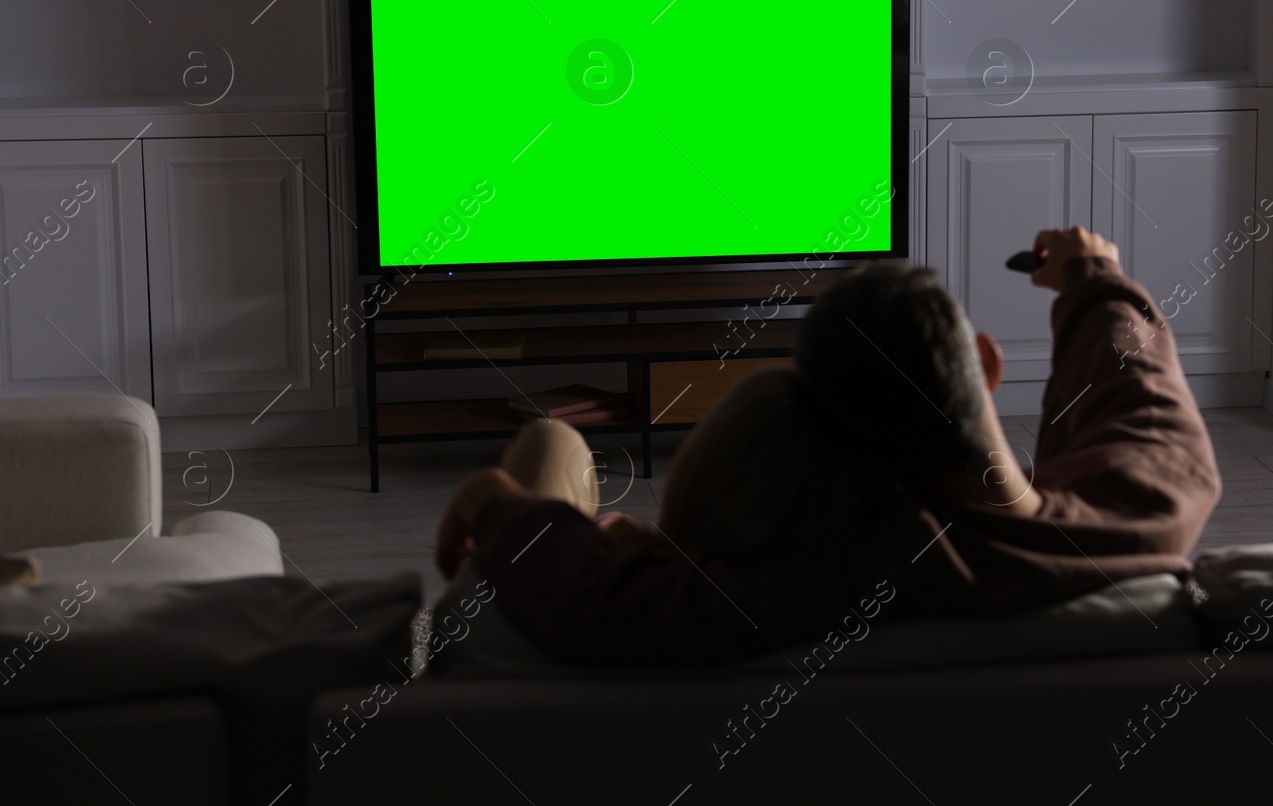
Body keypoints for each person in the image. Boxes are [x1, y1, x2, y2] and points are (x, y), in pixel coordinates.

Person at [435, 227, 1221, 665]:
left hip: (611, 554)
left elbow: (591, 597)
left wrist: (487, 496)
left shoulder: (811, 584)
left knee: (549, 440)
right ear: (984, 361)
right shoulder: (1145, 507)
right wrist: (1091, 275)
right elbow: (1138, 394)